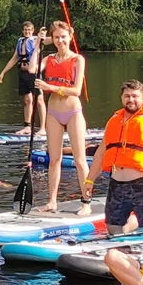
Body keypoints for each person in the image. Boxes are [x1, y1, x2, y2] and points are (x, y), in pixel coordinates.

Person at [81, 79, 143, 234]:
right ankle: (124, 240)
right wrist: (89, 180)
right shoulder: (113, 121)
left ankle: (141, 236)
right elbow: (101, 154)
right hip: (117, 184)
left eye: (135, 96)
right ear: (122, 98)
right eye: (127, 96)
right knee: (113, 228)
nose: (131, 100)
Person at [34, 18, 90, 213]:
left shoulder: (78, 59)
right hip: (53, 113)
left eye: (63, 37)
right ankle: (52, 201)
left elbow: (76, 90)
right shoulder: (47, 59)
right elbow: (33, 69)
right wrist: (37, 44)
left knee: (80, 160)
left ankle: (86, 202)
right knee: (54, 159)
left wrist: (50, 87)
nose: (60, 41)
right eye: (56, 37)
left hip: (73, 112)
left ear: (70, 36)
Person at [0, 21, 43, 136]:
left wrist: (43, 34)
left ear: (33, 31)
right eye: (25, 30)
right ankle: (27, 127)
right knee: (27, 100)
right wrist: (3, 73)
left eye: (30, 30)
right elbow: (14, 59)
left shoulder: (36, 40)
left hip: (33, 73)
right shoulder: (20, 41)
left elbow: (48, 40)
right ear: (23, 31)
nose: (27, 32)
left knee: (39, 100)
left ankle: (43, 128)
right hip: (22, 73)